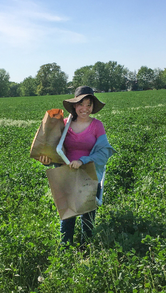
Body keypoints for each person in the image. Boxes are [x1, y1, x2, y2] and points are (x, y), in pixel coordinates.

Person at [39, 86, 115, 247]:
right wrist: (47, 159)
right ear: (74, 105)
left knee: (87, 216)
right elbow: (53, 150)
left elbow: (103, 152)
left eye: (89, 105)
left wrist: (83, 160)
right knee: (67, 216)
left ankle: (86, 250)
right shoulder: (64, 124)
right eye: (81, 104)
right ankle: (66, 251)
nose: (85, 109)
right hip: (66, 174)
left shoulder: (97, 126)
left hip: (88, 174)